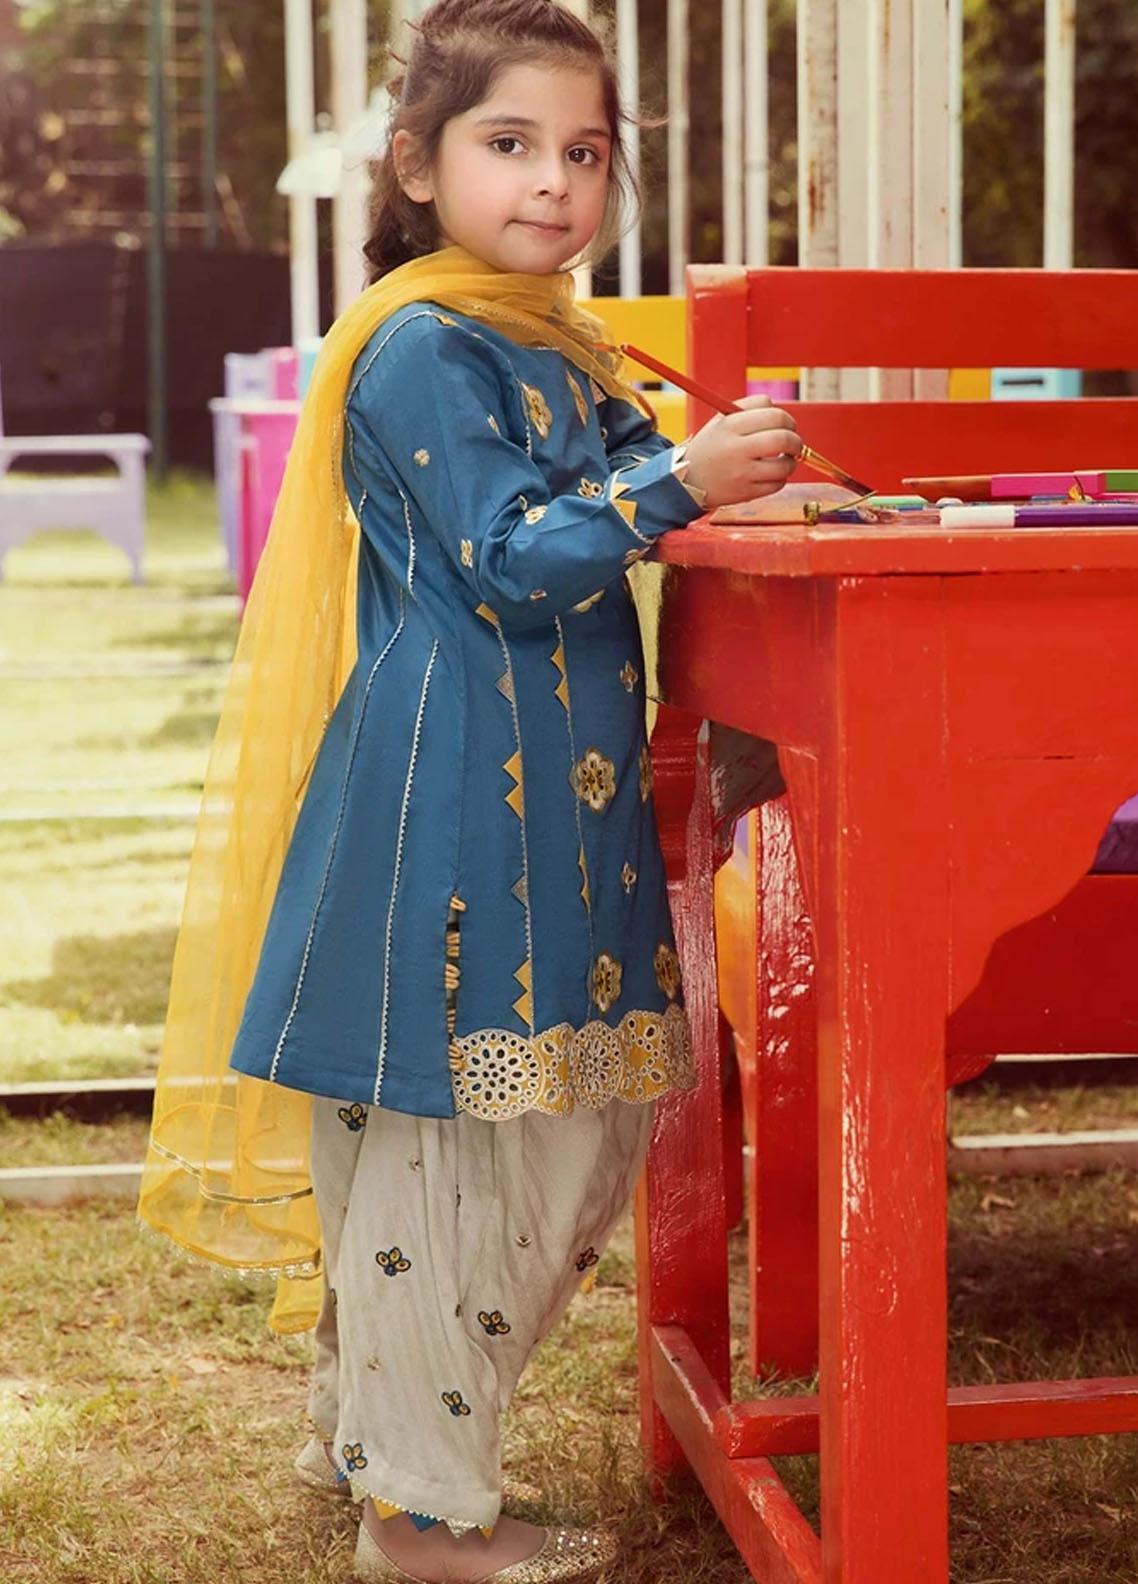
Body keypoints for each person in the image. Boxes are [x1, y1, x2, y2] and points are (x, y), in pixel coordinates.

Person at [137, 2, 801, 1579]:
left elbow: (635, 477)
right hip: (455, 809)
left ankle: (361, 1439)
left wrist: (754, 480)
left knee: (526, 1136)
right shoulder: (427, 346)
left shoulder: (545, 338)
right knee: (465, 1148)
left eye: (586, 151)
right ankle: (423, 1516)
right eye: (509, 143)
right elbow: (509, 560)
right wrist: (678, 482)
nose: (555, 181)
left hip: (542, 801)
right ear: (418, 165)